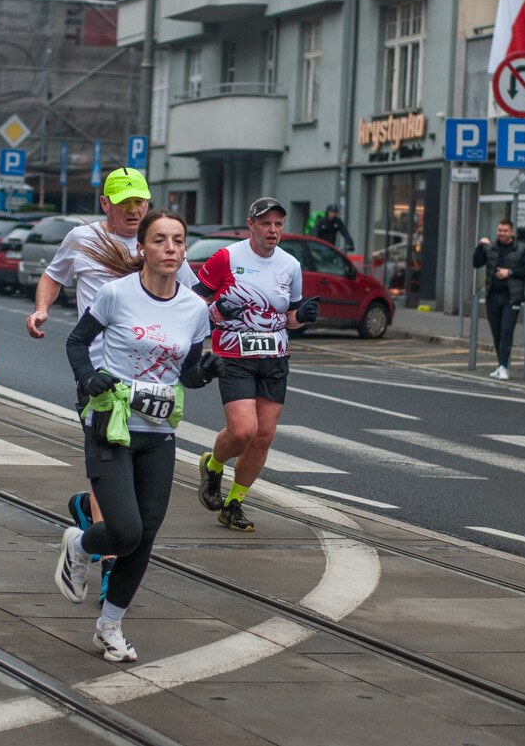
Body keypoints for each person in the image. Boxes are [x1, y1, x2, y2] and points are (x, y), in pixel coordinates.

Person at [56, 209, 223, 661]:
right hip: (111, 425)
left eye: (178, 241)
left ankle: (109, 627)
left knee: (145, 535)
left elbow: (186, 372)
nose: (170, 248)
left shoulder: (194, 308)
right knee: (125, 530)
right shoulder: (116, 294)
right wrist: (89, 377)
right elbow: (75, 342)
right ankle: (80, 542)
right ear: (143, 249)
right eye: (160, 240)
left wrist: (203, 373)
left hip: (159, 430)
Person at [28, 167, 196, 601]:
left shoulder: (159, 244)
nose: (134, 210)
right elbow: (52, 275)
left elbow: (190, 299)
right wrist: (42, 309)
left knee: (135, 496)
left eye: (139, 201)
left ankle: (90, 513)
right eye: (124, 203)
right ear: (105, 204)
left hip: (150, 385)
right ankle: (108, 568)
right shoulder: (82, 240)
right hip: (99, 376)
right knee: (113, 462)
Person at [193, 197, 321, 532]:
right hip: (234, 355)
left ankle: (234, 503)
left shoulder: (290, 265)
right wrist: (219, 312)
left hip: (275, 357)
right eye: (266, 223)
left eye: (278, 224)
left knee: (263, 436)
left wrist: (302, 317)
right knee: (243, 431)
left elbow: (289, 317)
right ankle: (214, 463)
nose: (273, 230)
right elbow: (191, 305)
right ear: (251, 225)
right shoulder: (227, 258)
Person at [472, 218, 525, 380]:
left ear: (512, 232)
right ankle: (501, 365)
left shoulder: (521, 248)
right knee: (497, 332)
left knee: (507, 331)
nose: (502, 233)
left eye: (505, 231)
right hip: (493, 296)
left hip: (512, 297)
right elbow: (477, 263)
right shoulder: (491, 248)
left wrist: (510, 272)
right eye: (499, 230)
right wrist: (479, 247)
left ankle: (504, 366)